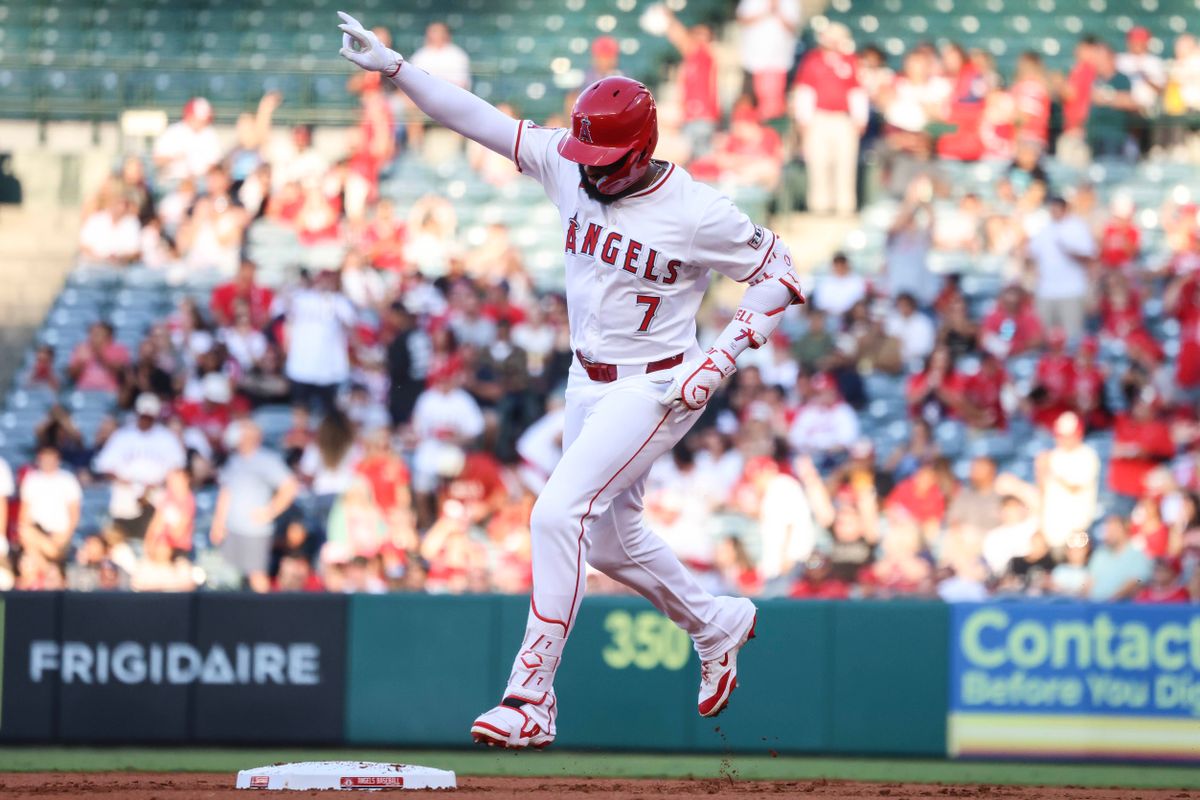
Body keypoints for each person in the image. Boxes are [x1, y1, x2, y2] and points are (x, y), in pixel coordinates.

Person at [340, 13, 804, 747]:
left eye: (601, 151)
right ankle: (715, 623)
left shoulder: (695, 210)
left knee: (558, 515)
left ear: (639, 147)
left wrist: (719, 359)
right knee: (614, 543)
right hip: (586, 381)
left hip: (657, 383)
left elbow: (779, 272)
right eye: (582, 147)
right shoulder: (569, 162)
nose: (586, 163)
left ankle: (530, 697)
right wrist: (399, 69)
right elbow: (478, 119)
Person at [210, 421, 299, 593]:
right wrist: (218, 523)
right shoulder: (234, 461)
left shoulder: (267, 460)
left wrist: (270, 511)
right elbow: (226, 493)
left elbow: (290, 486)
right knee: (230, 575)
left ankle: (263, 614)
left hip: (255, 531)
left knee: (257, 576)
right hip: (232, 528)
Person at [792, 22, 865, 216]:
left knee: (845, 163)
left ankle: (845, 206)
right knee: (818, 162)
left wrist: (860, 117)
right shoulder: (813, 60)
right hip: (818, 118)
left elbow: (856, 90)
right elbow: (805, 91)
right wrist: (803, 118)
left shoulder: (850, 61)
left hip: (843, 119)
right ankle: (819, 206)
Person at [92, 393, 186, 541]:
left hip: (157, 491)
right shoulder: (122, 436)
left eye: (149, 417)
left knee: (172, 516)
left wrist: (153, 487)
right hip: (126, 490)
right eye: (143, 416)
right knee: (120, 519)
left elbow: (177, 470)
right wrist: (125, 482)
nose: (145, 420)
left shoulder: (166, 438)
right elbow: (104, 466)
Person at [278, 269, 357, 414]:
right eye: (322, 279)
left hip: (329, 370)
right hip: (301, 367)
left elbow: (351, 327)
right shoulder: (300, 298)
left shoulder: (339, 301)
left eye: (329, 279)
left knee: (330, 413)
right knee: (300, 411)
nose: (325, 283)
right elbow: (281, 310)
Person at [1025, 196, 1096, 340]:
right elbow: (1031, 255)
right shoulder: (1044, 229)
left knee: (1072, 335)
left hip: (1071, 290)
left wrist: (1069, 252)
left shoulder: (1077, 227)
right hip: (1046, 290)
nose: (1053, 212)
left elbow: (1089, 257)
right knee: (1043, 334)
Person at [735, 0, 801, 120]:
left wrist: (777, 10)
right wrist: (765, 10)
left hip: (779, 63)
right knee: (748, 102)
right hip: (753, 62)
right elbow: (742, 19)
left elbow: (793, 26)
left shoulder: (790, 3)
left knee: (777, 106)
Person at [17, 445, 82, 565]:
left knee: (40, 549)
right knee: (25, 533)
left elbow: (74, 513)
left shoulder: (68, 480)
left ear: (58, 459)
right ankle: (49, 570)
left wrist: (64, 536)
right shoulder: (31, 480)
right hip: (37, 531)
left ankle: (48, 567)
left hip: (61, 534)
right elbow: (24, 516)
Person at [153, 97, 222, 184]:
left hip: (200, 182)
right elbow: (157, 160)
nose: (203, 122)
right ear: (189, 116)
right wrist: (174, 158)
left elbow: (214, 164)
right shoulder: (173, 132)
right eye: (198, 118)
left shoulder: (210, 134)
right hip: (173, 181)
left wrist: (195, 176)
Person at [1088, 515, 1153, 601]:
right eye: (1107, 530)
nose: (1109, 533)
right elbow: (1089, 581)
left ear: (1124, 529)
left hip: (1121, 609)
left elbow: (1135, 582)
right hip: (1093, 607)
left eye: (1113, 530)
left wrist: (1110, 602)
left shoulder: (1138, 555)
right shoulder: (1100, 554)